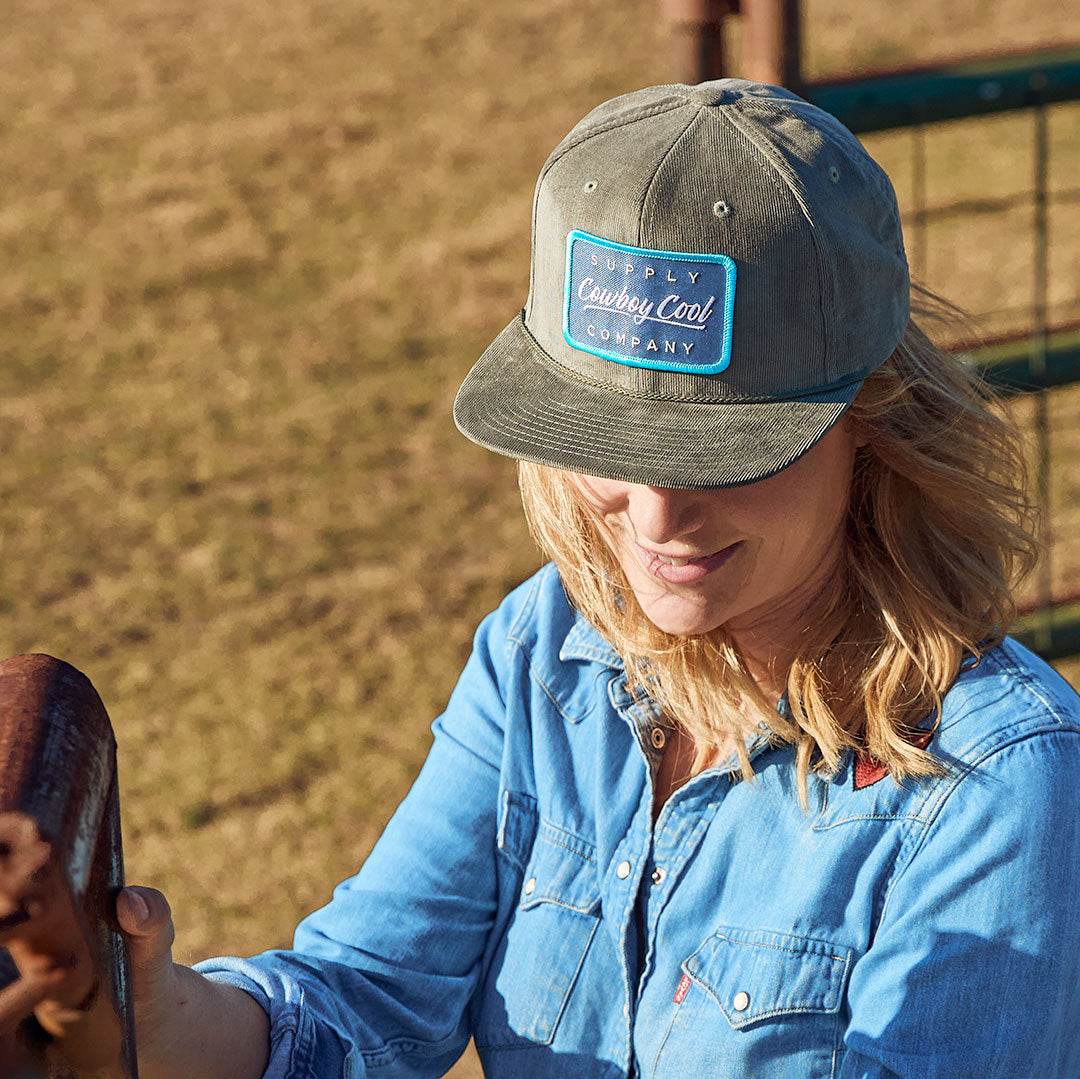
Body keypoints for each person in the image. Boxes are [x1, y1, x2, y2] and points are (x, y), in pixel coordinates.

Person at [51, 79, 1080, 1077]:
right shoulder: (547, 651)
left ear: (871, 420)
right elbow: (364, 997)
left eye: (727, 451)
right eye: (607, 442)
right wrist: (143, 1009)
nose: (658, 517)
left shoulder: (994, 786)